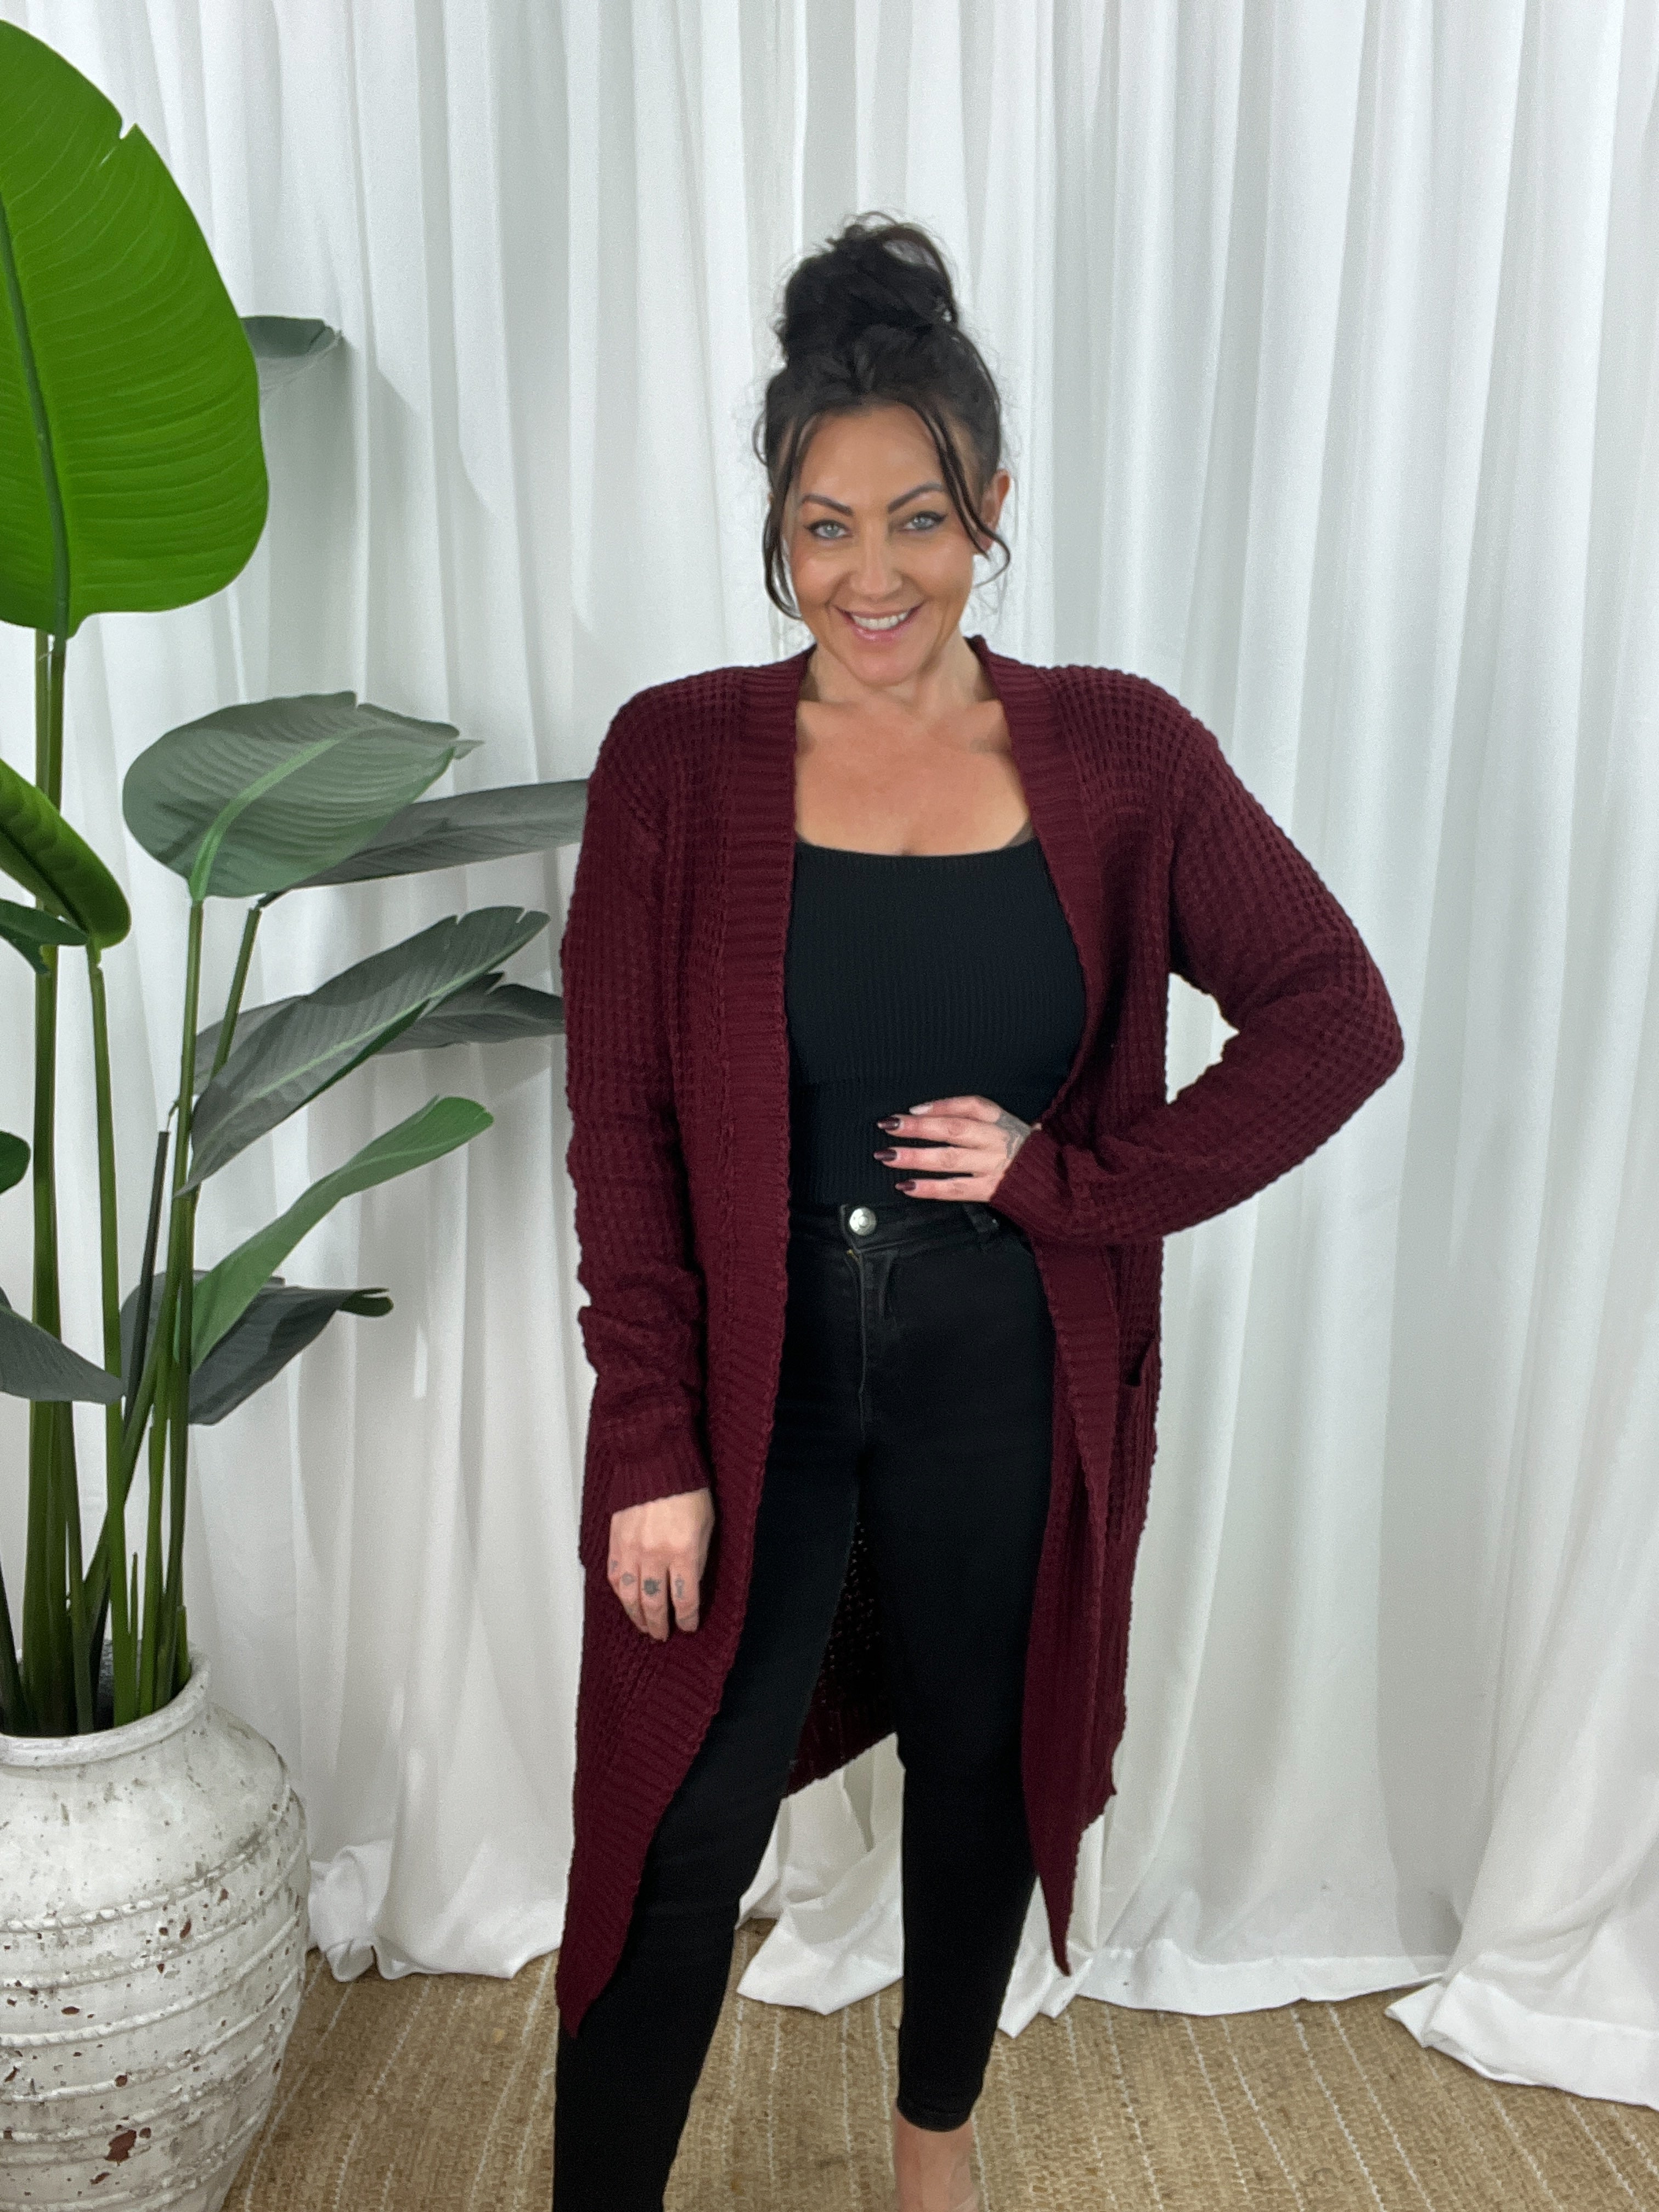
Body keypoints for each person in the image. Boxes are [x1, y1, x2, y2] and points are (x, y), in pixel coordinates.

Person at [550, 215, 1404, 2212]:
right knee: (679, 1820)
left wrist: (1077, 1186)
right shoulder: (675, 759)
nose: (872, 576)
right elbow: (625, 1124)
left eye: (919, 521)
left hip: (1006, 1367)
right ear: (778, 526)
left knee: (980, 1767)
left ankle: (932, 2167)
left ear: (992, 509)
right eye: (824, 526)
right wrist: (653, 1442)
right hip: (757, 1382)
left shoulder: (1119, 748)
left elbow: (1333, 1014)